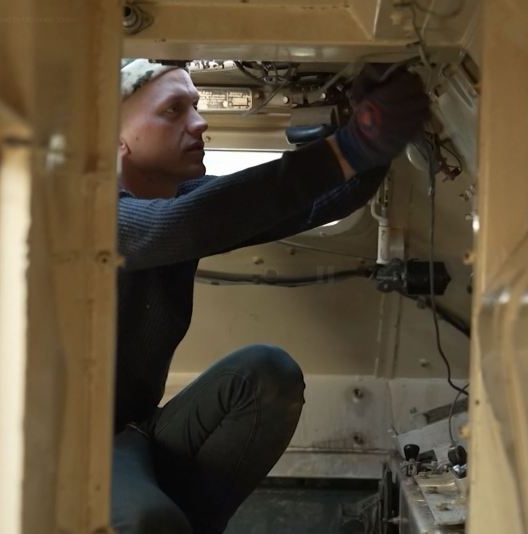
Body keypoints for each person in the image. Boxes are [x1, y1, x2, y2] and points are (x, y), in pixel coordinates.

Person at [111, 59, 428, 534]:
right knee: (146, 522)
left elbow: (323, 202)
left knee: (265, 375)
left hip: (136, 432)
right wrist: (350, 147)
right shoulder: (92, 213)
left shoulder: (176, 205)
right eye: (173, 110)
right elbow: (182, 226)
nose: (199, 122)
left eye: (195, 107)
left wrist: (370, 140)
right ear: (112, 138)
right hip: (74, 448)